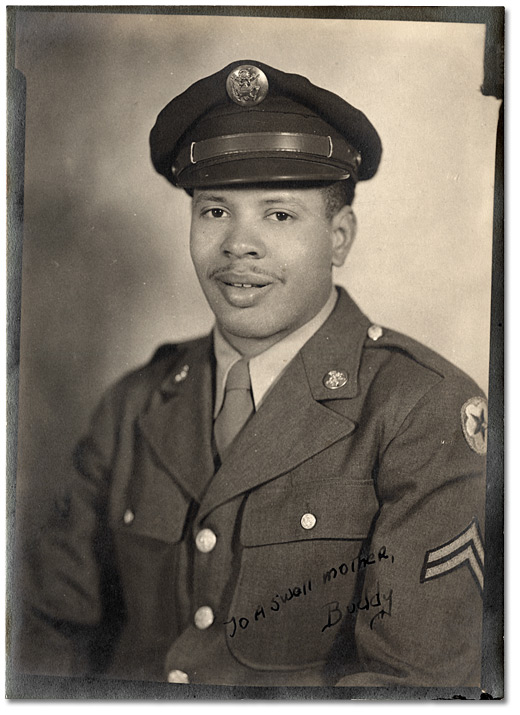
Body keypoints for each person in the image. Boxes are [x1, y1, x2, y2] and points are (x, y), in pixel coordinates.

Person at [19, 60, 487, 688]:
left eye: (279, 215)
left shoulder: (420, 411)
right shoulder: (131, 406)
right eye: (215, 212)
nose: (239, 244)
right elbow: (46, 642)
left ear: (340, 238)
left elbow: (413, 687)